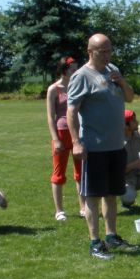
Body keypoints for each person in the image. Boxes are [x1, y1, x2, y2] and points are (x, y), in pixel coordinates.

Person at [67, 33, 137, 260]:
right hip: (94, 147)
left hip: (116, 145)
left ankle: (112, 236)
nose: (107, 55)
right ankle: (95, 242)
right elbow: (71, 111)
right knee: (93, 196)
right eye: (102, 51)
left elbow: (130, 98)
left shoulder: (112, 70)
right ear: (90, 52)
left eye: (109, 51)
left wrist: (121, 81)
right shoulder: (81, 76)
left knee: (111, 194)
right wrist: (76, 143)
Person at [46, 56, 86, 221]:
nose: (75, 70)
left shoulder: (79, 86)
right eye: (72, 68)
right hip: (61, 133)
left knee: (81, 172)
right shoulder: (53, 89)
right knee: (58, 173)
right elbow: (50, 117)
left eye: (77, 67)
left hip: (78, 133)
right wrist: (56, 139)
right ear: (64, 70)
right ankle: (59, 211)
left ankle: (83, 207)